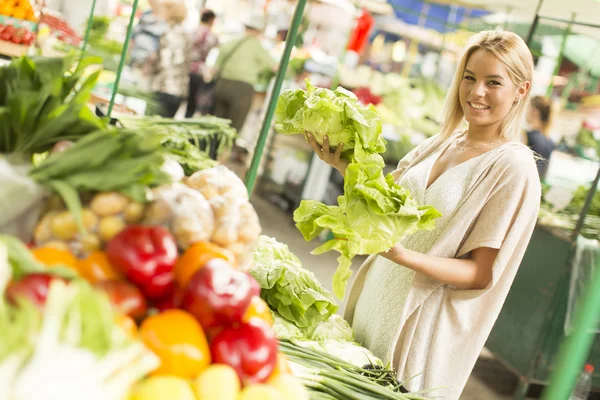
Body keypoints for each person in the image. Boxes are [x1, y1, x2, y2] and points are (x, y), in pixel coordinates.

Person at [306, 30, 541, 399]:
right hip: (376, 300)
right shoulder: (442, 141)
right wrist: (346, 167)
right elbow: (383, 206)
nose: (476, 92)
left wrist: (401, 254)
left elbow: (480, 273)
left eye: (493, 82)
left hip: (419, 329)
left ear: (520, 90)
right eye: (469, 77)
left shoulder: (512, 166)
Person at [212, 14, 277, 132]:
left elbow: (215, 68)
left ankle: (211, 149)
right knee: (233, 127)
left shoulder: (230, 42)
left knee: (215, 124)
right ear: (258, 30)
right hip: (242, 89)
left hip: (222, 84)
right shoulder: (256, 46)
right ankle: (225, 150)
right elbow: (275, 67)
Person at [149, 0, 190, 118]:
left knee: (151, 129)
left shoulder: (168, 33)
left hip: (164, 88)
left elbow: (164, 63)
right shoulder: (185, 34)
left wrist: (151, 62)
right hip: (179, 91)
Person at [185, 9, 219, 118]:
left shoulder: (192, 31)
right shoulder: (211, 36)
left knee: (182, 97)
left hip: (185, 68)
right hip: (198, 70)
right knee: (192, 102)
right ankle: (186, 121)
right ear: (212, 20)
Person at [525, 96, 556, 180]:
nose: (526, 112)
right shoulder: (550, 141)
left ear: (535, 111)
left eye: (528, 108)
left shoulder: (529, 136)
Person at [130, 0, 166, 71]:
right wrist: (131, 44)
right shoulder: (147, 13)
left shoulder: (164, 17)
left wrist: (154, 54)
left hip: (150, 56)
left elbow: (162, 39)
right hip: (137, 51)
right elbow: (136, 30)